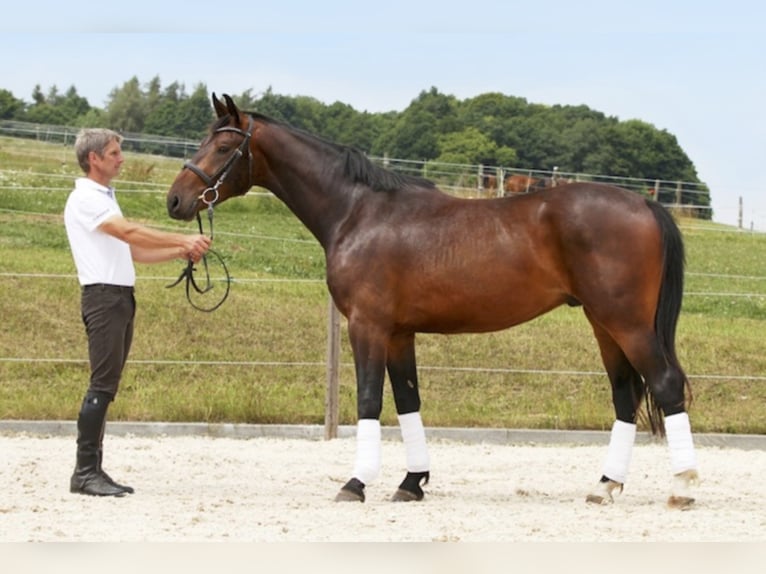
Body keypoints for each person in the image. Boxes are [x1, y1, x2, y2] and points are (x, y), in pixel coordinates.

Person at [64, 128, 211, 497]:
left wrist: (180, 253)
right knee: (101, 384)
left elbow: (133, 252)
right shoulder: (87, 199)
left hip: (119, 296)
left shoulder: (104, 198)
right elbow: (128, 232)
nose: (121, 158)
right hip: (103, 298)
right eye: (114, 153)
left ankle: (92, 469)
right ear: (94, 159)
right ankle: (84, 472)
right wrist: (181, 238)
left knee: (107, 385)